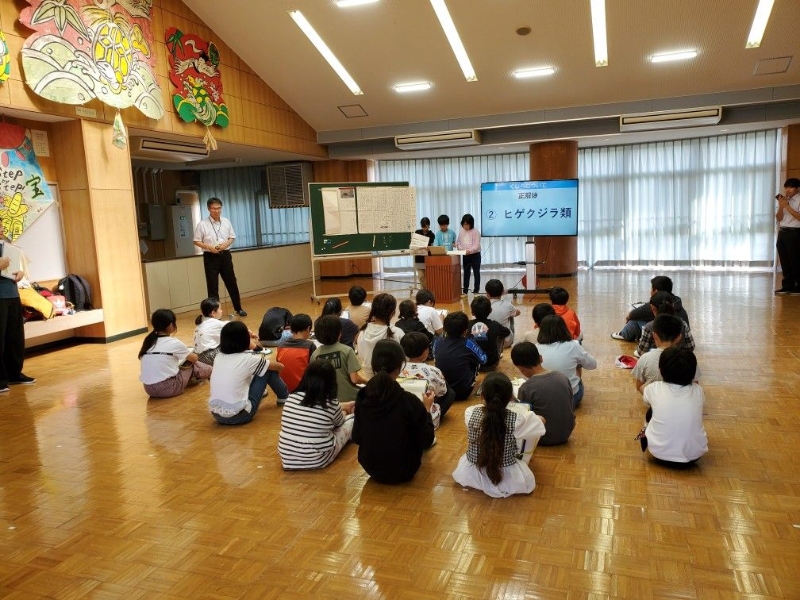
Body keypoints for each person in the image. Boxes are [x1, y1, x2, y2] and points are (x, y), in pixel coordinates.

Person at [352, 339, 436, 484]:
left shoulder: (363, 396)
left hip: (370, 467)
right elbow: (426, 440)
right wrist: (427, 410)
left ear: (374, 365)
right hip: (404, 470)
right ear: (399, 368)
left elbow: (357, 437)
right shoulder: (409, 401)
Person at [452, 372, 546, 498]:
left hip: (472, 473)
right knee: (530, 433)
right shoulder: (519, 419)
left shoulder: (470, 412)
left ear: (482, 396)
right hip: (507, 475)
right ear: (511, 397)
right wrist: (538, 418)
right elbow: (540, 425)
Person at [277, 360, 356, 470]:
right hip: (317, 459)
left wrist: (343, 406)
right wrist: (346, 410)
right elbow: (340, 422)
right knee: (351, 421)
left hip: (287, 458)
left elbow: (312, 408)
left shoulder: (291, 397)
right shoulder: (331, 403)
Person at [208, 321, 287, 425]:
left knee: (258, 369)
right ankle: (284, 397)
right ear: (245, 339)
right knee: (268, 369)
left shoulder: (218, 356)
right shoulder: (247, 359)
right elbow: (279, 367)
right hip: (240, 416)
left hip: (217, 415)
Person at [638, 347, 708, 466]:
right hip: (694, 456)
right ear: (693, 373)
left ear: (660, 370)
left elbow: (642, 390)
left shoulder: (654, 388)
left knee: (651, 411)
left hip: (657, 454)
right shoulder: (698, 391)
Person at [511, 342, 575, 446]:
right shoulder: (562, 377)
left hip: (543, 437)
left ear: (521, 369)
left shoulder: (526, 387)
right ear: (541, 358)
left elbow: (523, 417)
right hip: (567, 432)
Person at [139, 309, 211, 398]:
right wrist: (194, 352)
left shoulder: (148, 342)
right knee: (191, 363)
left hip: (149, 389)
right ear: (171, 325)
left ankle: (206, 372)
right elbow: (194, 359)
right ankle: (211, 371)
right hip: (168, 388)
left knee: (182, 362)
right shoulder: (174, 343)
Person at [193, 197, 246, 317]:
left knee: (232, 282)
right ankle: (214, 312)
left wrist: (225, 245)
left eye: (218, 208)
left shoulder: (226, 221)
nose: (216, 211)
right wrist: (209, 247)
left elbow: (232, 237)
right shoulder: (202, 224)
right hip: (210, 256)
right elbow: (196, 241)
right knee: (212, 285)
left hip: (225, 255)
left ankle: (238, 308)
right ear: (208, 209)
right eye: (213, 209)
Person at [536, 314, 597, 408]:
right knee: (577, 365)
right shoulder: (573, 345)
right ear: (563, 328)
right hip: (570, 398)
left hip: (543, 399)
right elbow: (592, 365)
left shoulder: (536, 347)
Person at [0, 228, 34, 391]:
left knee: (14, 338)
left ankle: (14, 374)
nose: (1, 228)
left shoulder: (7, 245)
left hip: (12, 294)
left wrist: (20, 272)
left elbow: (15, 266)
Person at [611, 275, 689, 341]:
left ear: (656, 291)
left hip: (665, 341)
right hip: (680, 341)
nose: (650, 291)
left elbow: (633, 314)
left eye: (652, 288)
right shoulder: (676, 301)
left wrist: (629, 316)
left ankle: (625, 334)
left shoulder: (657, 305)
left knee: (636, 319)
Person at [400, 331, 455, 421]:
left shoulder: (397, 368)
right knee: (450, 392)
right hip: (426, 418)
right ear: (425, 351)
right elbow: (442, 392)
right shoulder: (433, 370)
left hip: (402, 416)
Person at [311, 315, 368, 402]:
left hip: (328, 400)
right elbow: (355, 379)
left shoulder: (315, 355)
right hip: (351, 398)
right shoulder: (347, 350)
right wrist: (368, 382)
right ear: (339, 333)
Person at [434, 311, 487, 401]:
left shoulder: (437, 342)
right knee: (476, 360)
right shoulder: (468, 343)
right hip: (463, 393)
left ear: (445, 329)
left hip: (442, 390)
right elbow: (483, 359)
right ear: (465, 331)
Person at [632, 314, 684, 393]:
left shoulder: (645, 358)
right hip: (682, 401)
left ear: (654, 336)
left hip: (654, 402)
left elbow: (639, 386)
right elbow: (695, 383)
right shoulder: (687, 358)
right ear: (679, 338)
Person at [356, 293, 404, 378]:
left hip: (368, 377)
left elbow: (361, 355)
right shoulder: (397, 332)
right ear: (392, 313)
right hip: (391, 378)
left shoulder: (362, 332)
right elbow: (404, 359)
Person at [635, 291, 695, 358]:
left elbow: (641, 352)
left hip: (656, 361)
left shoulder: (649, 327)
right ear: (672, 305)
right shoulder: (683, 324)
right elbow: (691, 347)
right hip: (678, 362)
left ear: (653, 309)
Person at [468, 295, 510, 371]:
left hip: (471, 365)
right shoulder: (495, 324)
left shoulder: (467, 325)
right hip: (491, 364)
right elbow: (507, 332)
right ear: (490, 310)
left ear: (472, 312)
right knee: (501, 334)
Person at [276, 313, 316, 393]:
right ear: (308, 329)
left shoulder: (280, 346)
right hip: (302, 389)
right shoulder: (310, 345)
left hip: (284, 388)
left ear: (290, 329)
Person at [774, 177, 800, 295]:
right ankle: (787, 286)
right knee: (784, 261)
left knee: (796, 260)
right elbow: (779, 218)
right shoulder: (784, 201)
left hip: (795, 233)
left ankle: (798, 286)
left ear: (797, 189)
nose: (787, 190)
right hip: (782, 232)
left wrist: (787, 206)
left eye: (790, 187)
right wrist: (781, 206)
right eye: (786, 188)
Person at [193, 297, 227, 365]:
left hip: (199, 357)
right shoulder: (214, 322)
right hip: (209, 356)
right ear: (213, 312)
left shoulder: (201, 322)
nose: (221, 311)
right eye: (220, 309)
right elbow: (233, 327)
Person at [486, 279, 520, 347]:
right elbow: (518, 312)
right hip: (505, 342)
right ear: (502, 292)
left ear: (487, 293)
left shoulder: (484, 305)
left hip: (488, 342)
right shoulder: (507, 304)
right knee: (511, 314)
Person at [456, 213, 481, 294]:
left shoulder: (476, 231)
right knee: (466, 273)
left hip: (475, 255)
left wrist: (469, 251)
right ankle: (465, 291)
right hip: (465, 255)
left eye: (467, 224)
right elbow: (458, 243)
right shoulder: (461, 231)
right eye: (464, 224)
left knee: (476, 272)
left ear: (471, 224)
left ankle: (476, 290)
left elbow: (476, 245)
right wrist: (461, 249)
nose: (465, 226)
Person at [414, 217, 436, 288]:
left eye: (425, 226)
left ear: (429, 225)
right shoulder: (417, 232)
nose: (424, 228)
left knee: (428, 277)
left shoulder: (431, 234)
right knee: (421, 276)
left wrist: (429, 248)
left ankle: (428, 291)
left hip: (427, 258)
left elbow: (433, 246)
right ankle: (423, 291)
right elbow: (414, 243)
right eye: (423, 226)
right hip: (419, 258)